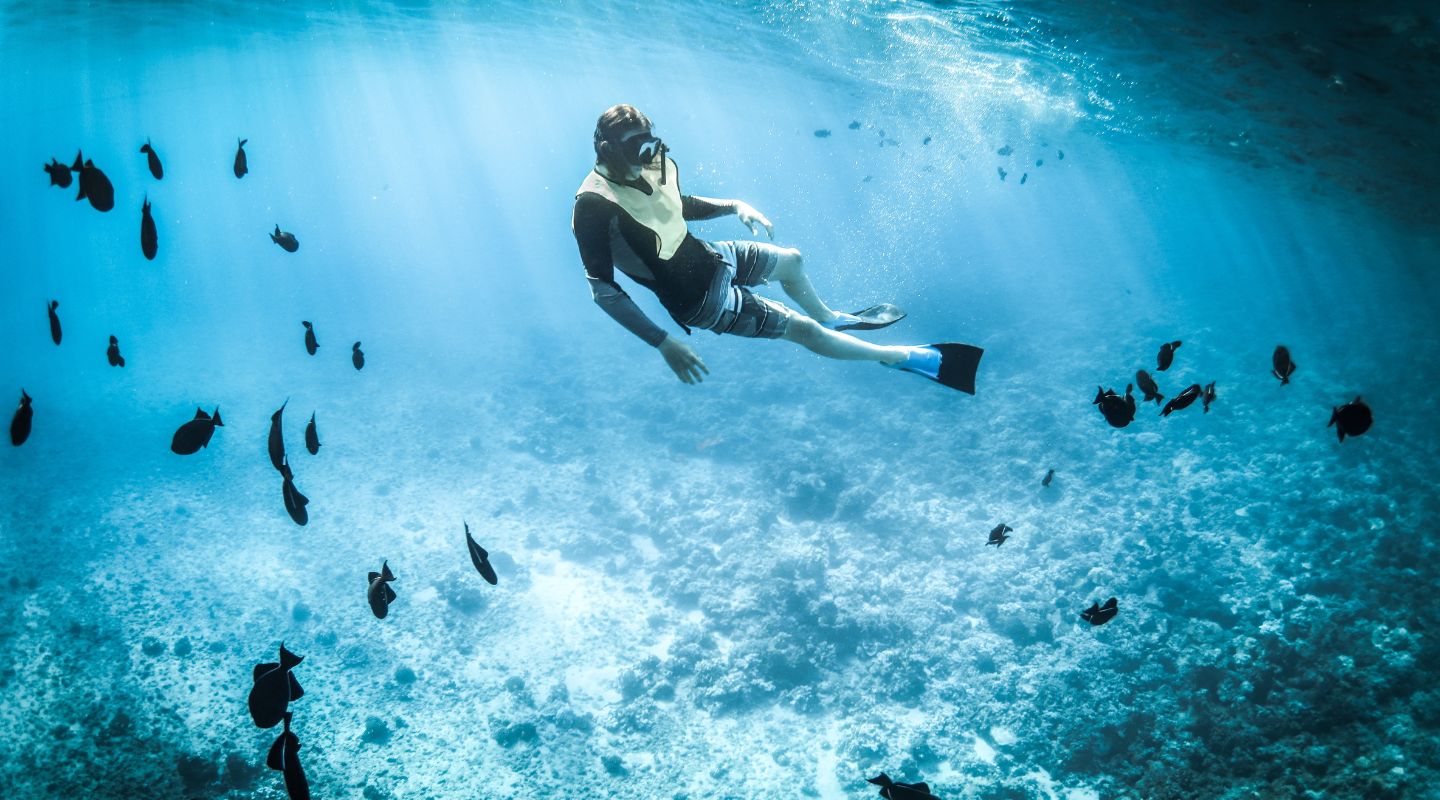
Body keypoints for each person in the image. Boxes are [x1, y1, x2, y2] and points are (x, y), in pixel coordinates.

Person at [572, 104, 982, 393]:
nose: (648, 158)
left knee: (792, 261)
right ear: (608, 151)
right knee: (803, 331)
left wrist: (735, 204)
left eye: (650, 145)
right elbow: (603, 290)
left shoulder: (646, 165)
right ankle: (896, 356)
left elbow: (674, 205)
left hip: (711, 256)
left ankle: (833, 318)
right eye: (636, 149)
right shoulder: (592, 205)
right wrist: (662, 342)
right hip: (697, 301)